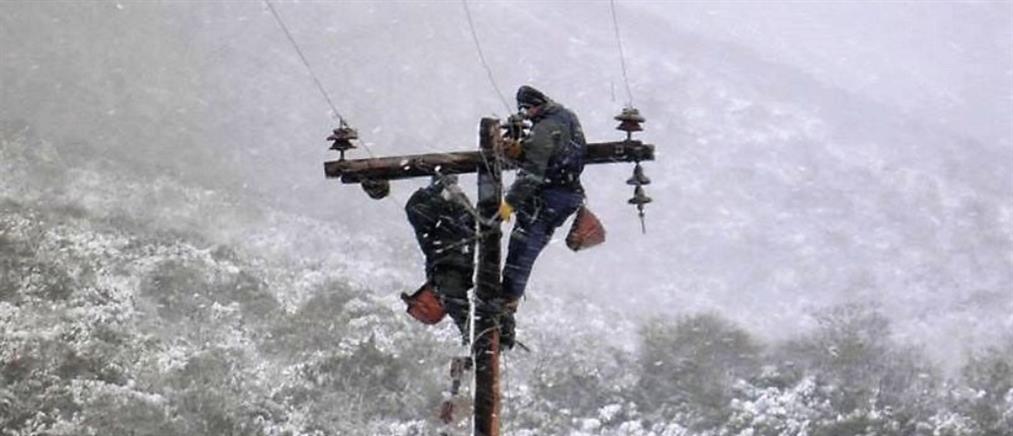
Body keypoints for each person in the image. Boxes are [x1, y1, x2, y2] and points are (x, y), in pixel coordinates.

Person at [497, 85, 587, 347]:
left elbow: (532, 175)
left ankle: (505, 307)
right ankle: (507, 306)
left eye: (526, 110)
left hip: (549, 197)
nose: (526, 115)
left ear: (532, 107)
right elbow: (560, 152)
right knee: (530, 248)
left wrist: (509, 204)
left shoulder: (543, 130)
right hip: (568, 195)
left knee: (522, 249)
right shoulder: (567, 117)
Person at [404, 174, 476, 343]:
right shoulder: (446, 283)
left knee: (416, 210)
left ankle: (440, 182)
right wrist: (469, 334)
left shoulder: (442, 280)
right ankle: (441, 182)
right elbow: (457, 306)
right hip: (451, 237)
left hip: (448, 239)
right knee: (416, 210)